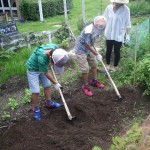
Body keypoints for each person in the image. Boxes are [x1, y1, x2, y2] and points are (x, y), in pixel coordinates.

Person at [26, 43, 69, 120]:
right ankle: (36, 109)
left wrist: (51, 61)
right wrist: (55, 83)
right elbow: (46, 73)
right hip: (33, 69)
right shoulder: (42, 58)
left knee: (47, 85)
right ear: (50, 57)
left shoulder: (54, 47)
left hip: (43, 67)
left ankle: (49, 103)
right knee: (35, 90)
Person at [74, 16, 107, 96]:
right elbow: (87, 45)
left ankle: (94, 81)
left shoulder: (98, 29)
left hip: (89, 47)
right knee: (85, 69)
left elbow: (91, 43)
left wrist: (95, 52)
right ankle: (85, 86)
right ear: (94, 24)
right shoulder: (88, 31)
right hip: (81, 49)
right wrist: (97, 54)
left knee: (94, 64)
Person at [103, 0, 131, 71]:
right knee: (108, 50)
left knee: (117, 51)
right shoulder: (108, 8)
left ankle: (115, 66)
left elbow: (128, 24)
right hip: (109, 33)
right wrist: (100, 30)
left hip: (119, 34)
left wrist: (127, 35)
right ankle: (108, 65)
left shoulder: (126, 10)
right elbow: (104, 19)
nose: (120, 3)